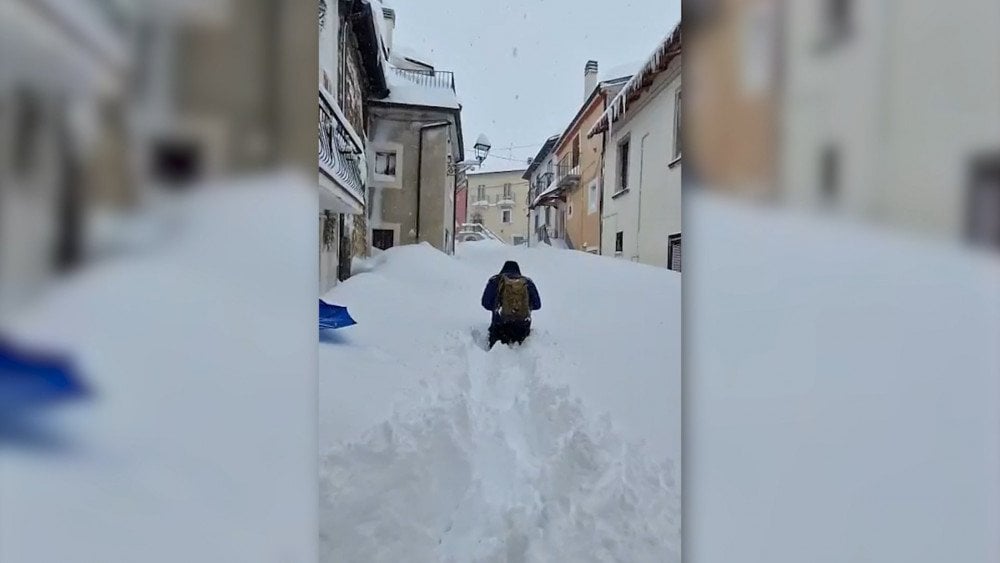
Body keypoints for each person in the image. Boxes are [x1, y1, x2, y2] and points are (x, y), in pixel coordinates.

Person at [481, 260, 541, 348]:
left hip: (499, 329)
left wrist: (498, 307)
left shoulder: (495, 280)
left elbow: (485, 303)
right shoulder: (527, 282)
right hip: (522, 330)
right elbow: (537, 305)